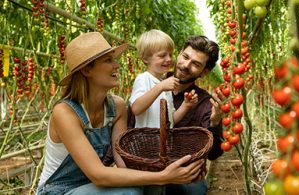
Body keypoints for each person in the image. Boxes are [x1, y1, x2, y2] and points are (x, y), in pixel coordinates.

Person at [36, 32, 205, 195]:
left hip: (91, 187)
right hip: (59, 190)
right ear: (87, 70)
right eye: (108, 60)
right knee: (128, 192)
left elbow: (122, 161)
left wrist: (157, 174)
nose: (117, 65)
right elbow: (99, 175)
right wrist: (162, 177)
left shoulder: (116, 106)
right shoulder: (65, 112)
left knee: (143, 187)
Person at [127, 35, 224, 195]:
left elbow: (213, 154)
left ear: (204, 72)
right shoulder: (153, 83)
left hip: (180, 171)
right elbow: (130, 121)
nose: (186, 65)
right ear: (179, 54)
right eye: (185, 57)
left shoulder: (205, 102)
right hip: (146, 159)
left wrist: (214, 123)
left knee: (194, 189)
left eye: (196, 64)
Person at [129, 29, 197, 129]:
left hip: (164, 143)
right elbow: (136, 109)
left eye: (170, 54)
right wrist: (160, 87)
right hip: (146, 141)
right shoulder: (143, 79)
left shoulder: (164, 85)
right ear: (145, 58)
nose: (169, 59)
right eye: (162, 55)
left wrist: (185, 105)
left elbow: (170, 120)